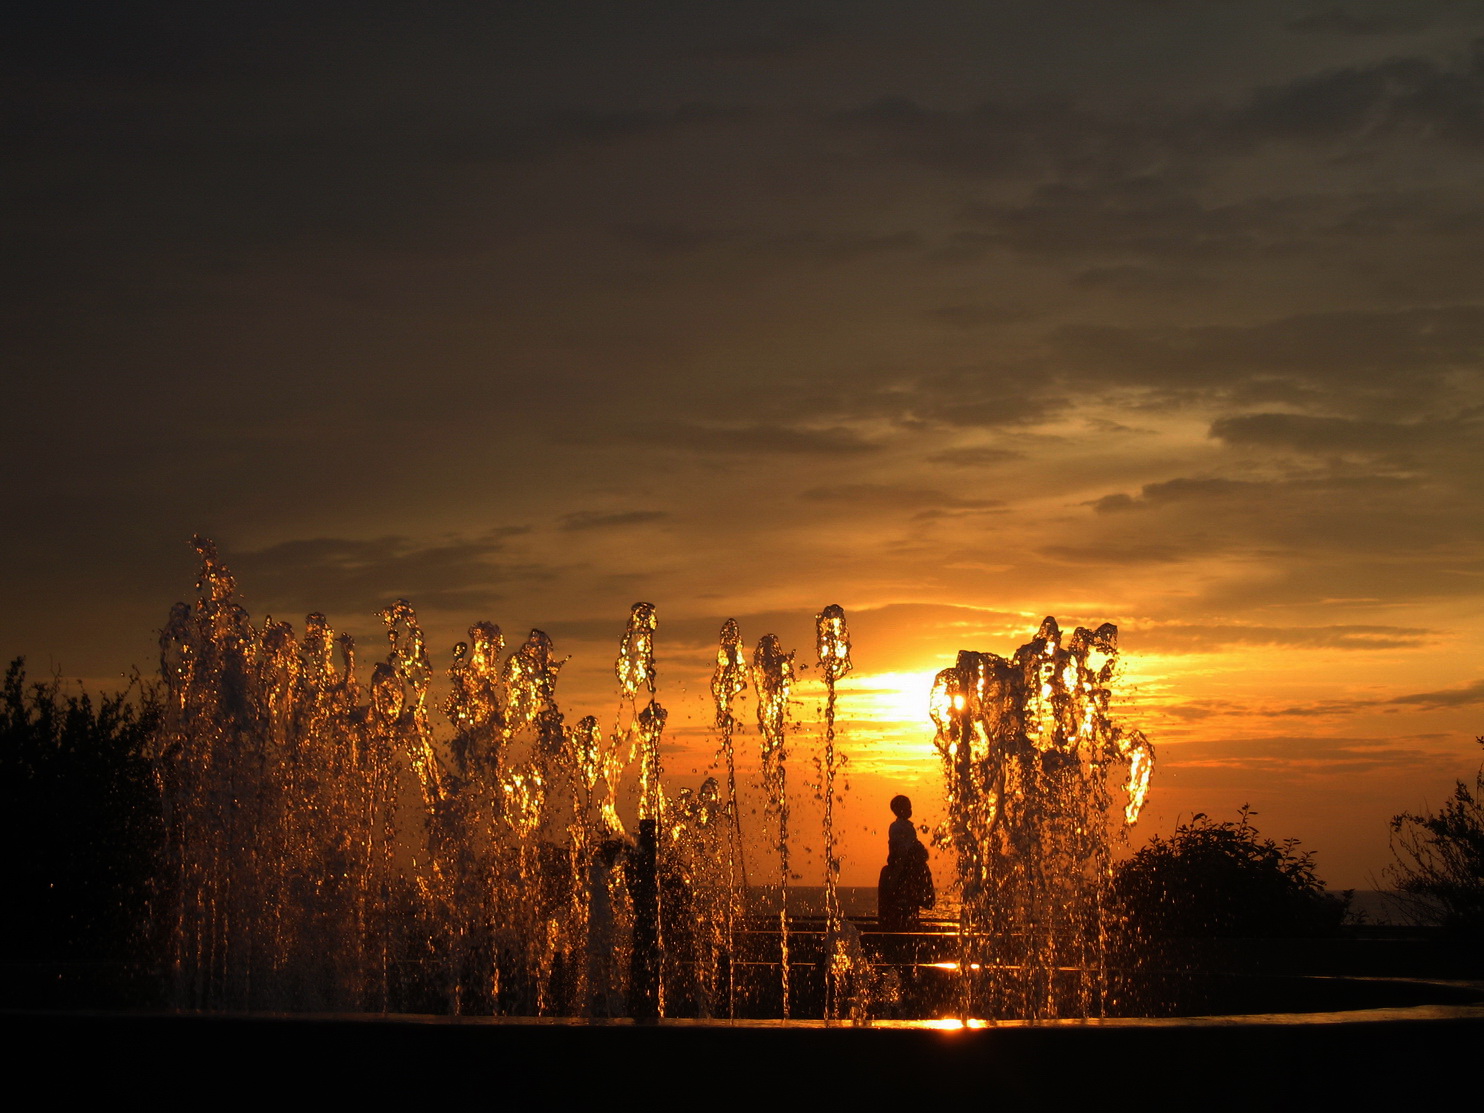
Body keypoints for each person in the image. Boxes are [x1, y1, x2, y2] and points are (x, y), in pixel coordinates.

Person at [879, 795, 934, 929]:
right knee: (907, 901)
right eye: (907, 806)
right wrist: (897, 875)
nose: (910, 809)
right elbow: (902, 852)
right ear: (899, 809)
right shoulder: (899, 827)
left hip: (905, 867)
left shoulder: (904, 827)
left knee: (910, 902)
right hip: (903, 868)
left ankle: (914, 913)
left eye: (910, 806)